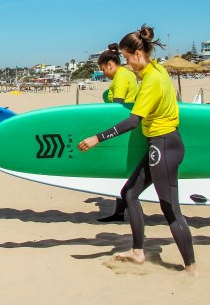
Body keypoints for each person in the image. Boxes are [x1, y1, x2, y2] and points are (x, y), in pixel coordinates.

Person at [77, 25, 196, 276]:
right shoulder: (157, 70)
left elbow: (133, 121)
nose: (128, 64)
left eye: (128, 58)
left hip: (163, 145)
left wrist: (98, 138)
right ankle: (138, 252)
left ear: (138, 54)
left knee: (171, 210)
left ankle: (191, 269)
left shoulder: (152, 79)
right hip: (160, 145)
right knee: (130, 194)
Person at [97, 43, 140, 222]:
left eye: (103, 69)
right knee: (123, 172)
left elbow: (118, 107)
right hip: (128, 125)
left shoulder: (121, 77)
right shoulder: (128, 74)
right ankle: (120, 212)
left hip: (122, 127)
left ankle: (124, 212)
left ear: (110, 64)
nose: (104, 74)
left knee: (121, 171)